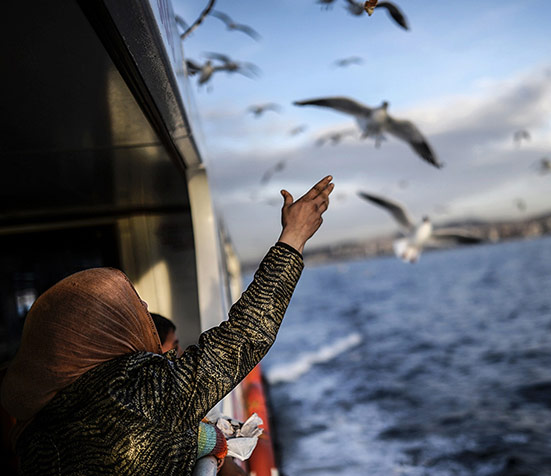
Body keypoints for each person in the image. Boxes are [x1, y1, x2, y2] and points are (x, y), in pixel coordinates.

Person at [0, 176, 334, 475]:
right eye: (135, 309)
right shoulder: (136, 391)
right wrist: (293, 236)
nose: (145, 312)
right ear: (108, 330)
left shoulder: (34, 435)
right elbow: (245, 334)